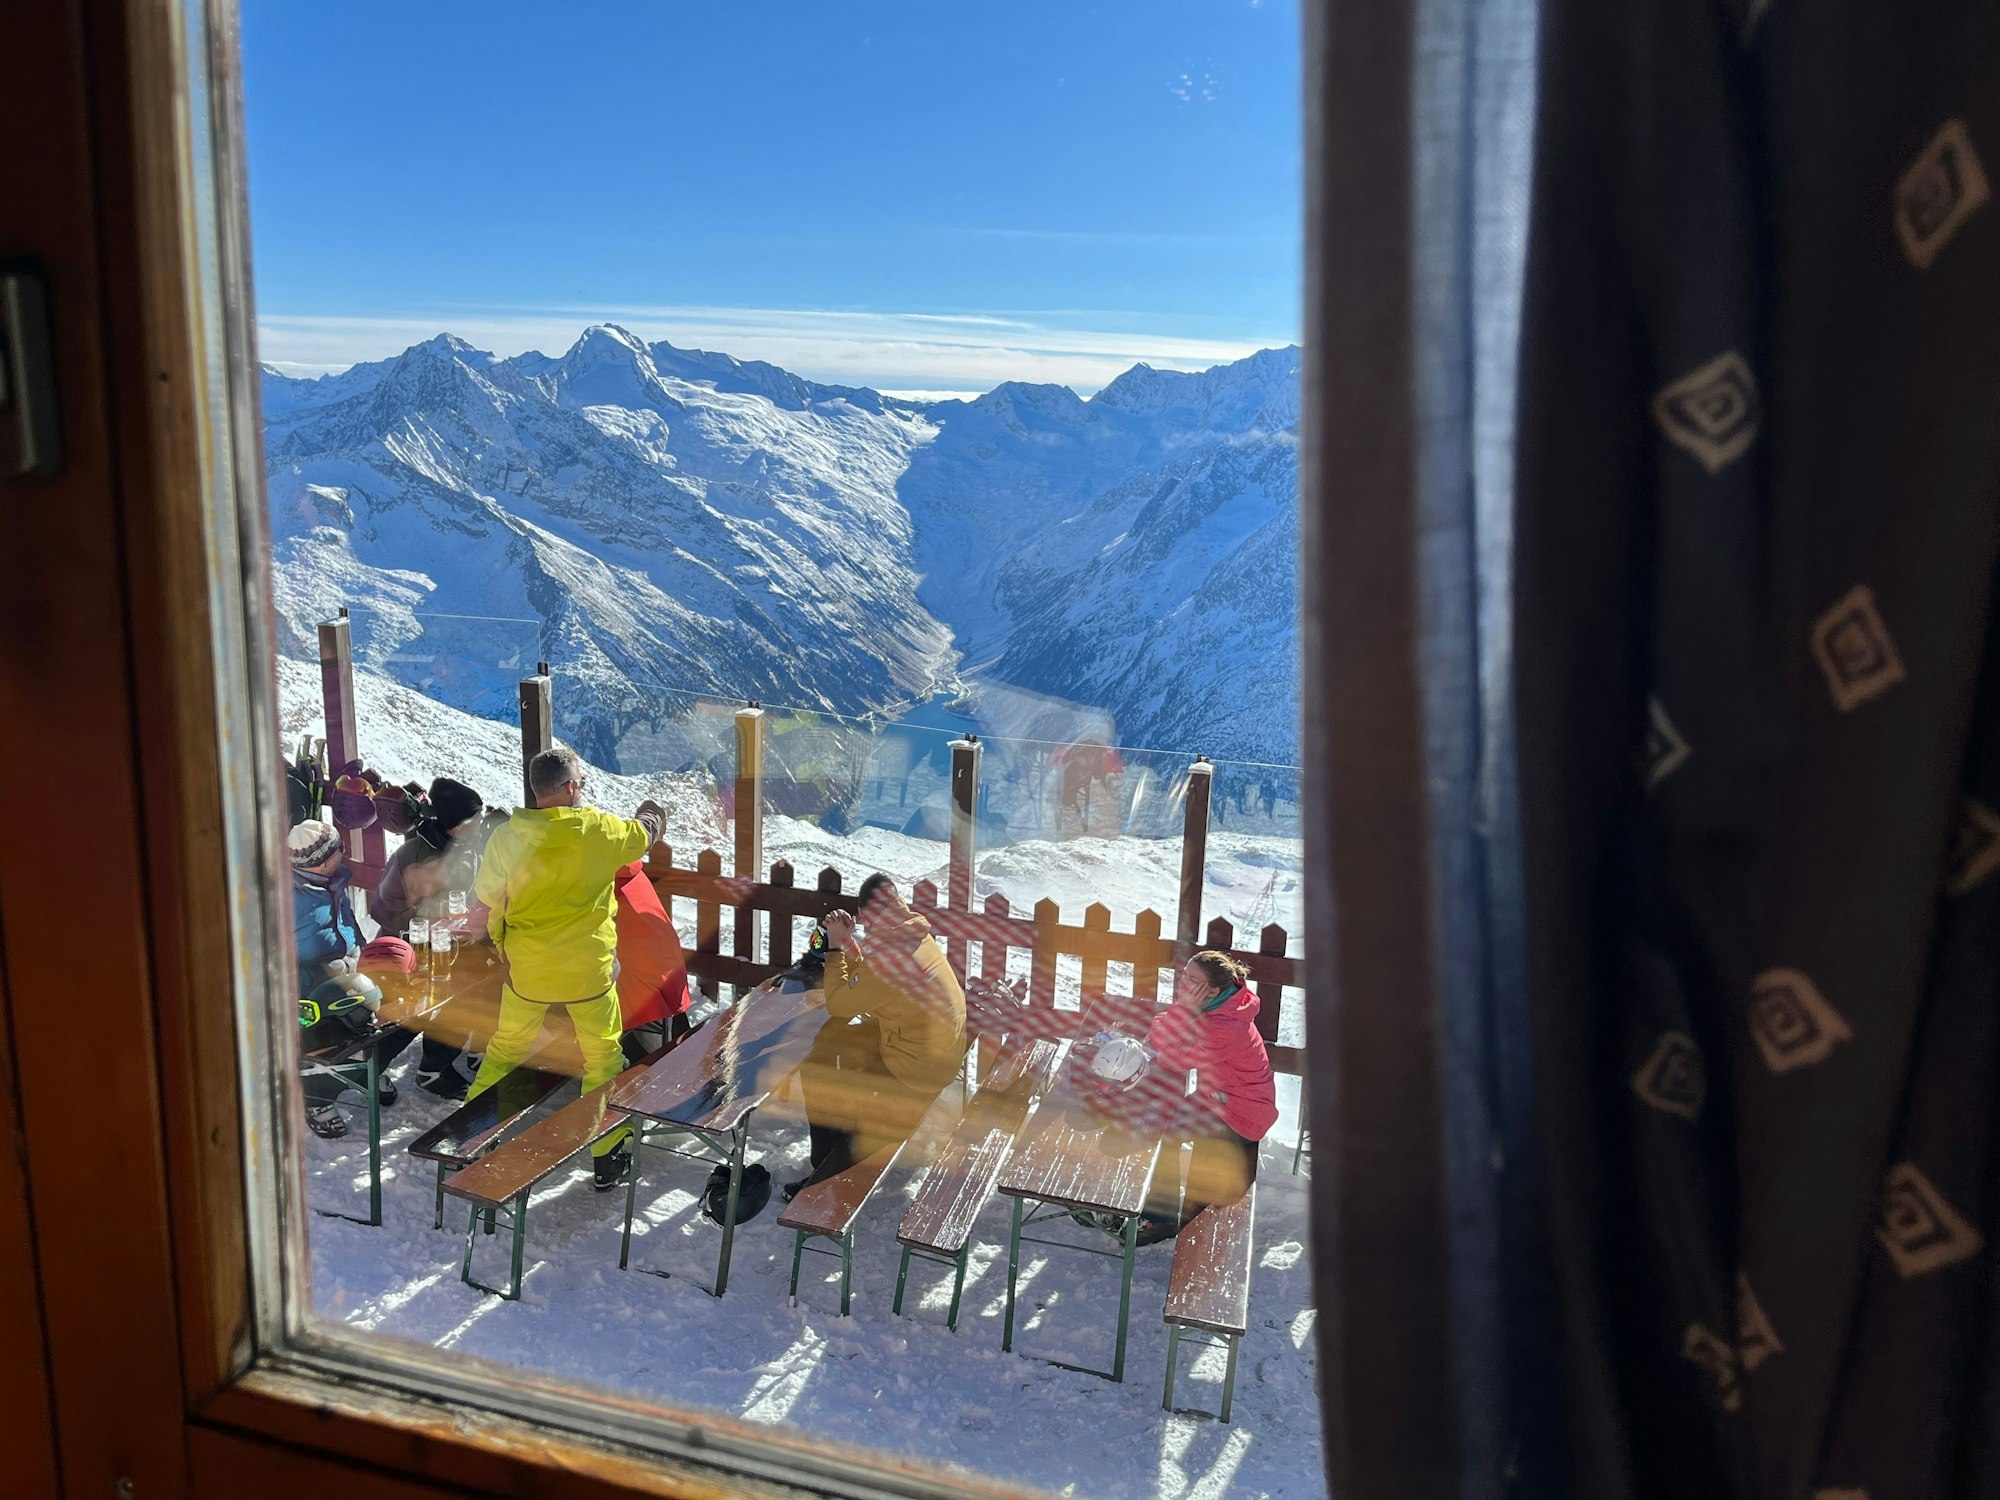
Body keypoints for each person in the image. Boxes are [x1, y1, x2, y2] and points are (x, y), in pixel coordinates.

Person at [470, 746, 666, 1189]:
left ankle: (475, 1138)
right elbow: (643, 837)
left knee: (504, 1051)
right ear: (572, 787)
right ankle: (605, 1155)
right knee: (603, 1059)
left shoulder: (506, 838)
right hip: (588, 973)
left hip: (528, 970)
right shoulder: (598, 830)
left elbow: (487, 896)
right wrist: (653, 815)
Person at [788, 873, 967, 1197]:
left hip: (917, 1070)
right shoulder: (913, 935)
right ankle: (841, 1138)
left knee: (818, 1071)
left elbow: (841, 1004)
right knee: (839, 1049)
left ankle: (825, 1169)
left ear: (867, 915)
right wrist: (849, 944)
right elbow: (873, 981)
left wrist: (834, 950)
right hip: (931, 1052)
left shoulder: (892, 956)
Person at [1117, 950, 1278, 1245]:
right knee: (1164, 1127)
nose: (1182, 982)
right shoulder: (1223, 1006)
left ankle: (1168, 1223)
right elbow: (1162, 1037)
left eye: (1192, 979)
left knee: (1174, 1140)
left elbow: (1174, 1058)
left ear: (1212, 990)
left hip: (1240, 1113)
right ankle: (1158, 1214)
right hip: (1217, 1099)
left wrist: (1181, 1008)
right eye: (1183, 974)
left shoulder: (1225, 1026)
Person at [290, 819, 416, 1138]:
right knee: (334, 1040)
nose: (344, 853)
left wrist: (363, 953)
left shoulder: (333, 881)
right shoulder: (284, 899)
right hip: (306, 998)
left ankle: (366, 1070)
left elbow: (347, 924)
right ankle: (318, 1097)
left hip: (349, 979)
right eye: (339, 849)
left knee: (409, 1013)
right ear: (322, 859)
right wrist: (317, 975)